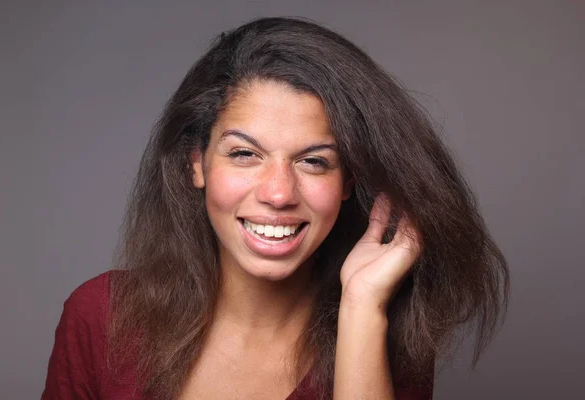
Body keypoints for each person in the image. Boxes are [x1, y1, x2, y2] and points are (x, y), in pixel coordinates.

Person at [42, 17, 509, 400]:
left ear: (348, 181)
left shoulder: (383, 335)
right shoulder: (101, 317)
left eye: (313, 161)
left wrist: (362, 309)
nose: (279, 193)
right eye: (244, 154)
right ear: (197, 165)